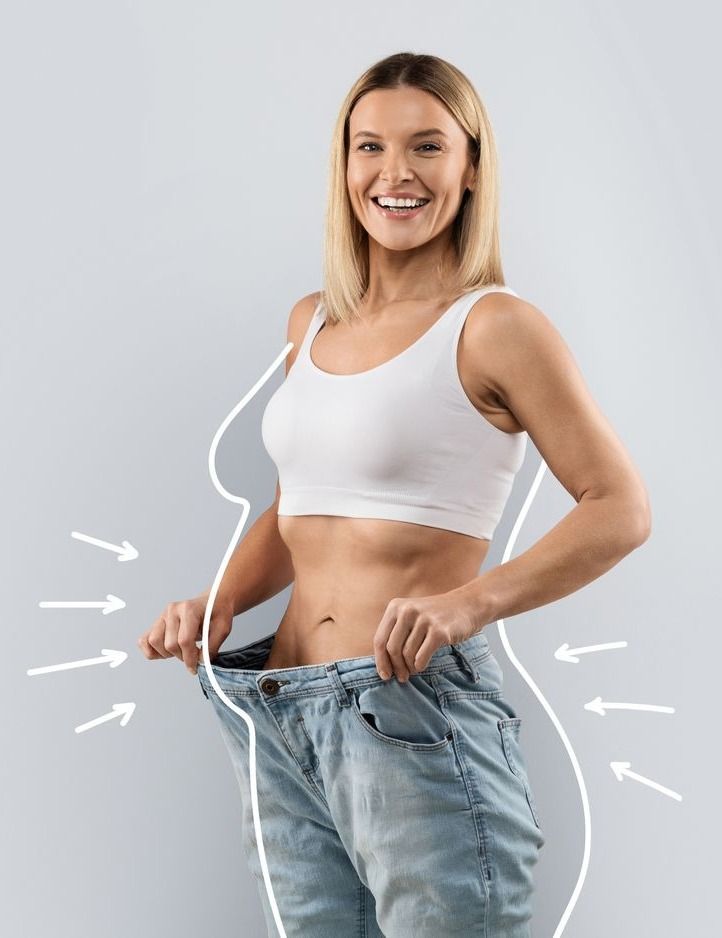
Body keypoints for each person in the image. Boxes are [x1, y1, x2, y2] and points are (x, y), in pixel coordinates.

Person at [138, 52, 651, 937]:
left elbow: (619, 506)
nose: (395, 173)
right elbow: (300, 507)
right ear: (344, 167)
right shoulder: (314, 320)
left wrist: (467, 605)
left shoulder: (495, 326)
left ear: (471, 165)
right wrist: (218, 602)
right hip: (275, 705)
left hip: (407, 708)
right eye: (369, 145)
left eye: (427, 146)